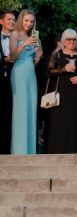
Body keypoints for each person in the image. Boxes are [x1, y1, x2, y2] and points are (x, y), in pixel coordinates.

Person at [46, 29, 77, 153]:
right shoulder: (57, 54)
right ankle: (58, 151)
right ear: (64, 41)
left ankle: (76, 151)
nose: (72, 42)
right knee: (60, 123)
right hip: (61, 94)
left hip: (76, 95)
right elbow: (48, 72)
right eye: (69, 39)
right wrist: (63, 69)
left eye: (74, 39)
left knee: (75, 122)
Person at [9, 9, 42, 154]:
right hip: (19, 73)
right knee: (20, 110)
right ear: (21, 20)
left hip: (31, 73)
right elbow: (13, 56)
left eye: (31, 21)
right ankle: (19, 150)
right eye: (26, 20)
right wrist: (24, 44)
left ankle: (30, 150)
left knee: (31, 109)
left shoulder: (35, 37)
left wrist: (39, 57)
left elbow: (34, 62)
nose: (29, 23)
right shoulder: (15, 34)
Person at [0, 10, 15, 154]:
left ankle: (7, 150)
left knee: (10, 113)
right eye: (9, 19)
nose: (11, 21)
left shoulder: (18, 38)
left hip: (13, 78)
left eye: (13, 19)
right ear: (1, 21)